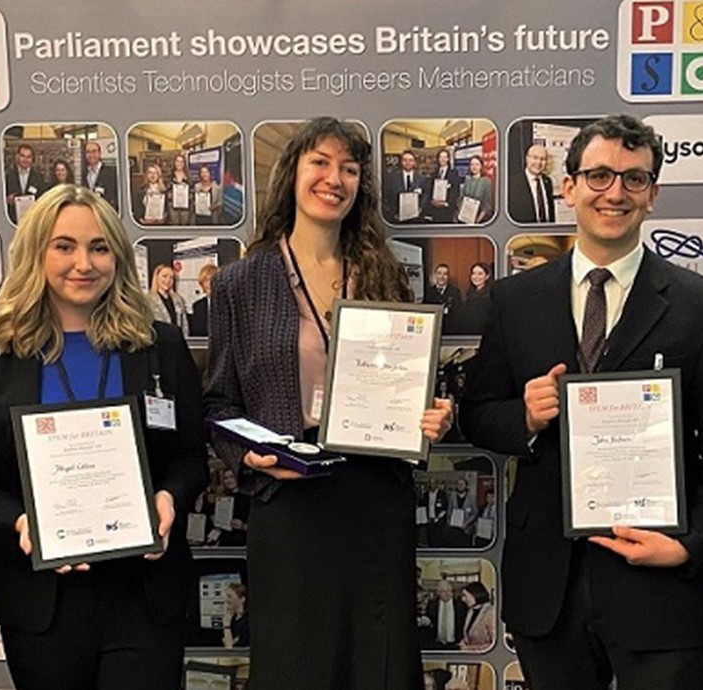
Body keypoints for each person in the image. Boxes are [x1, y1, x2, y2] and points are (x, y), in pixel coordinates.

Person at [460, 115, 703, 690]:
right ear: (568, 187)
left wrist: (689, 544)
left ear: (653, 195)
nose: (615, 192)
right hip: (550, 585)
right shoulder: (516, 301)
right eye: (598, 175)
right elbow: (477, 412)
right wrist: (522, 416)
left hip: (658, 590)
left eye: (634, 179)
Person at [204, 116, 453, 690]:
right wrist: (249, 458)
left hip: (374, 497)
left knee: (379, 665)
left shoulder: (385, 277)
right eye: (320, 162)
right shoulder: (240, 284)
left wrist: (433, 415)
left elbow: (411, 382)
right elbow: (217, 404)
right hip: (289, 501)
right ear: (293, 173)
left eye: (348, 167)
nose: (333, 178)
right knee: (296, 665)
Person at [0, 184, 207, 689]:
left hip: (144, 594)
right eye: (64, 246)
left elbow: (190, 460)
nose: (83, 263)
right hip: (41, 599)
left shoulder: (160, 347)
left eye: (99, 246)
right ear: (35, 254)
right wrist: (22, 524)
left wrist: (170, 498)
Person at [510, 144, 557, 224]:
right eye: (535, 158)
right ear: (527, 158)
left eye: (543, 159)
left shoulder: (548, 182)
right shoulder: (513, 184)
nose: (538, 162)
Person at [417, 578, 468, 651]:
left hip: (455, 644)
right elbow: (429, 621)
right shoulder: (432, 605)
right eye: (443, 591)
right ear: (438, 592)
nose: (447, 593)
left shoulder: (461, 606)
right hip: (437, 644)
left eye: (449, 590)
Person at [383, 150, 428, 224]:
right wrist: (392, 214)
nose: (408, 163)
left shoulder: (421, 178)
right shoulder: (392, 178)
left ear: (414, 162)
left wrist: (420, 209)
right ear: (401, 162)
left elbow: (425, 195)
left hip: (416, 220)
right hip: (397, 220)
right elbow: (386, 197)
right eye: (405, 160)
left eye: (410, 160)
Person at [7, 143, 48, 223]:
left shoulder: (39, 177)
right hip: (12, 220)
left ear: (32, 159)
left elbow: (42, 197)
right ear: (17, 157)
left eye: (28, 157)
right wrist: (7, 199)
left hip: (32, 219)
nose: (25, 159)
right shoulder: (8, 175)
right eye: (22, 156)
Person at [450, 262, 493, 335]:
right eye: (473, 273)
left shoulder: (490, 296)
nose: (476, 276)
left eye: (480, 273)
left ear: (487, 276)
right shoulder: (469, 295)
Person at [147, 263, 189, 335]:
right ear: (156, 278)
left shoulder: (179, 299)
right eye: (164, 276)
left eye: (171, 277)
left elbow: (184, 325)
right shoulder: (148, 300)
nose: (168, 280)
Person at [424, 149, 462, 223]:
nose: (443, 159)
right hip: (435, 208)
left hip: (447, 209)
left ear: (448, 159)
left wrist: (446, 203)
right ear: (438, 159)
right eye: (441, 157)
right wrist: (432, 201)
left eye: (445, 157)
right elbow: (430, 190)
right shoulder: (434, 174)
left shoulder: (454, 173)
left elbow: (456, 190)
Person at [458, 582, 497, 652]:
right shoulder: (471, 611)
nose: (463, 599)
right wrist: (463, 642)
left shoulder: (490, 613)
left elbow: (494, 645)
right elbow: (468, 635)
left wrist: (469, 648)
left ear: (475, 594)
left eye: (465, 596)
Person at [82, 140, 119, 211]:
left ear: (99, 153)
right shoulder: (84, 173)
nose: (91, 155)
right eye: (88, 152)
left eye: (94, 151)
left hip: (106, 212)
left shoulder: (111, 173)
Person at [457, 156, 493, 224]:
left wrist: (477, 221)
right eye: (472, 164)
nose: (474, 167)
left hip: (479, 220)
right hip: (464, 218)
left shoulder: (486, 182)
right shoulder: (467, 180)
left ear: (481, 166)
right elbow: (460, 198)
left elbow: (487, 205)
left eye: (477, 164)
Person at [189, 263, 218, 337]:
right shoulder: (197, 306)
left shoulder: (227, 304)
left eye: (213, 280)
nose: (209, 284)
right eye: (206, 280)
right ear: (201, 284)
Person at [167, 153, 194, 226]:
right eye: (177, 161)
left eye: (182, 161)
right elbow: (166, 189)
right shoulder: (169, 175)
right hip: (173, 207)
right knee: (174, 226)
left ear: (184, 163)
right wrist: (170, 195)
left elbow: (192, 189)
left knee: (184, 226)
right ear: (174, 162)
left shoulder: (188, 175)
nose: (179, 163)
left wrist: (189, 196)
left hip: (185, 207)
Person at [222, 583, 251, 649]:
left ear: (242, 599)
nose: (226, 600)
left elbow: (230, 648)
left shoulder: (248, 621)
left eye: (229, 596)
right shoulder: (233, 619)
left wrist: (226, 626)